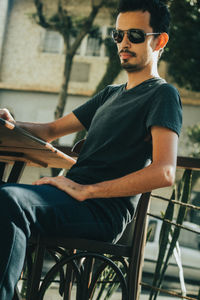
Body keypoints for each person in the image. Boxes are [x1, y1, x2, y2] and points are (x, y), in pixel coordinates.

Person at [0, 0, 182, 299]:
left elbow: (164, 172)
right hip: (68, 197)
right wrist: (9, 122)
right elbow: (49, 130)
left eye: (135, 35)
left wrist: (88, 191)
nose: (124, 43)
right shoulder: (110, 94)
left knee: (10, 202)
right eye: (118, 35)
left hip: (100, 210)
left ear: (160, 40)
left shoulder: (163, 95)